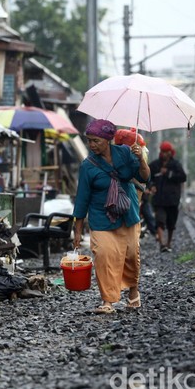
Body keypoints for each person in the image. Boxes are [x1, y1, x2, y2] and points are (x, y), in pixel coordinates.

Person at [72, 119, 150, 314]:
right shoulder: (88, 165)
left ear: (108, 139)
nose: (91, 145)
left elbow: (145, 177)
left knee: (131, 255)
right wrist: (78, 231)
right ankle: (107, 301)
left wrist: (140, 159)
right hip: (101, 217)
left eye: (95, 140)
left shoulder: (125, 153)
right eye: (89, 140)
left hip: (127, 214)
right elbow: (82, 198)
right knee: (104, 256)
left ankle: (133, 291)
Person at [114, 128, 156, 238]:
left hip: (130, 200)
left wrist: (140, 159)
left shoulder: (137, 157)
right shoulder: (115, 157)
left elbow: (145, 177)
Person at [147, 141, 187, 252]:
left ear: (171, 152)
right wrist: (151, 186)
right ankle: (162, 243)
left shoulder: (176, 165)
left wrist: (169, 173)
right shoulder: (155, 165)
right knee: (160, 220)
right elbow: (147, 177)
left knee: (171, 222)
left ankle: (168, 243)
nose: (165, 154)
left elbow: (183, 177)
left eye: (167, 152)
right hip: (159, 199)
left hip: (173, 199)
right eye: (163, 152)